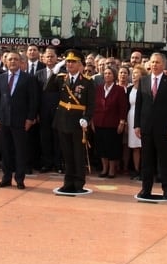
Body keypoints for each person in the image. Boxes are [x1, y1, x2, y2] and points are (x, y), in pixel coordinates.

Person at [135, 52, 167, 200]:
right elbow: (139, 105)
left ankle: (166, 189)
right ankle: (146, 189)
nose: (154, 65)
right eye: (153, 62)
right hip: (146, 127)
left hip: (164, 128)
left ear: (163, 64)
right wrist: (137, 125)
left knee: (164, 160)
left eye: (157, 62)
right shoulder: (143, 81)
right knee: (147, 161)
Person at [0, 51, 39, 189]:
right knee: (5, 151)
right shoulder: (1, 78)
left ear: (20, 62)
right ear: (6, 62)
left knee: (20, 151)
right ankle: (6, 178)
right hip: (4, 120)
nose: (13, 61)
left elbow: (33, 101)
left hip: (21, 121)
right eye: (10, 59)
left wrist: (30, 118)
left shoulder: (28, 78)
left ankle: (19, 179)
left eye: (16, 59)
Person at [51, 50, 95, 194]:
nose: (70, 64)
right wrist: (55, 70)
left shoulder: (87, 81)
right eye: (68, 62)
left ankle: (79, 183)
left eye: (73, 62)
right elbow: (47, 88)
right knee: (67, 154)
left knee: (78, 154)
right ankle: (68, 182)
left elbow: (91, 104)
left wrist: (87, 118)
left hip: (78, 122)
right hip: (63, 120)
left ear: (80, 64)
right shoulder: (61, 78)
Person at [92, 65, 129, 179]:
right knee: (101, 146)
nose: (107, 75)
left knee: (112, 147)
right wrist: (92, 121)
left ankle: (112, 170)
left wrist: (122, 122)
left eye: (109, 73)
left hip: (113, 123)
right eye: (105, 73)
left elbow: (123, 107)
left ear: (114, 76)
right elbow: (93, 106)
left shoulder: (119, 90)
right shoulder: (98, 89)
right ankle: (104, 169)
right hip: (99, 122)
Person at [126, 65, 145, 180]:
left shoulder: (146, 88)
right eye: (133, 73)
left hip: (143, 119)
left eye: (136, 73)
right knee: (135, 147)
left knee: (144, 146)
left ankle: (144, 170)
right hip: (131, 118)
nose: (134, 75)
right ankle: (136, 170)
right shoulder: (129, 89)